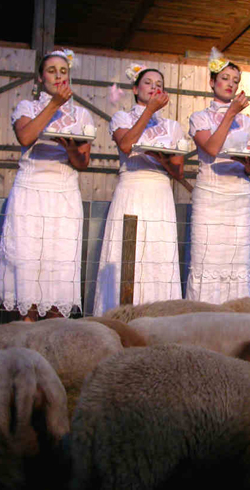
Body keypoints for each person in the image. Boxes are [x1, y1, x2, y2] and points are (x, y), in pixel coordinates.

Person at [0, 49, 93, 322]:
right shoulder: (27, 108)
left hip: (63, 192)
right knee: (28, 257)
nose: (58, 76)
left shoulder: (81, 115)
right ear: (41, 78)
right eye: (52, 71)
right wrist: (53, 105)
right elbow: (26, 136)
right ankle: (27, 321)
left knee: (59, 259)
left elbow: (82, 162)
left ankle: (55, 322)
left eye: (63, 71)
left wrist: (71, 148)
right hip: (30, 191)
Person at [93, 64, 185, 315]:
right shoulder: (122, 118)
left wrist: (164, 158)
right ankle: (119, 315)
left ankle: (160, 317)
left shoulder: (173, 127)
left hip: (160, 191)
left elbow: (178, 171)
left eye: (159, 85)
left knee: (157, 253)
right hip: (132, 188)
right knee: (127, 251)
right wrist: (149, 112)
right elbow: (126, 144)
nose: (154, 87)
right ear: (135, 89)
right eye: (148, 83)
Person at [185, 48, 250, 304]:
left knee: (236, 260)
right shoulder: (200, 118)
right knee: (206, 258)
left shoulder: (247, 122)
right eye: (226, 78)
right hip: (210, 195)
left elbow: (249, 166)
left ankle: (236, 315)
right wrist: (230, 114)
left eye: (236, 81)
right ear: (212, 82)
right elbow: (211, 148)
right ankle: (202, 315)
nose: (231, 84)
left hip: (239, 195)